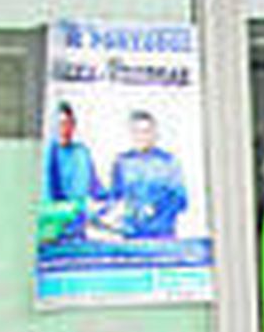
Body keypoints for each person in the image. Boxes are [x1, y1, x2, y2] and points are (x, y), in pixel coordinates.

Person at [104, 109, 188, 239]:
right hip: (132, 235)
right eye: (137, 132)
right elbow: (115, 197)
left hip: (163, 234)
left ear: (154, 134)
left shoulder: (168, 162)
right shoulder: (122, 162)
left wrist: (158, 208)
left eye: (146, 132)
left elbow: (181, 200)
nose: (141, 137)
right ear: (131, 134)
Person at [43, 101, 104, 239]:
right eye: (59, 124)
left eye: (68, 124)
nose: (64, 130)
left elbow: (97, 191)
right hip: (52, 231)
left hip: (79, 231)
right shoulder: (47, 154)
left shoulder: (81, 153)